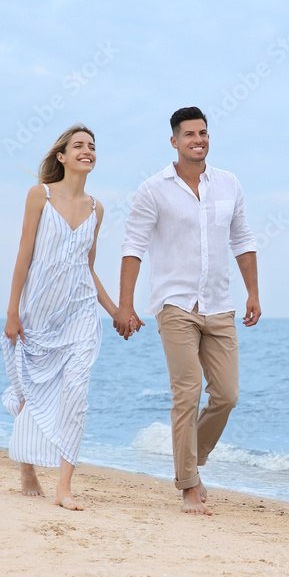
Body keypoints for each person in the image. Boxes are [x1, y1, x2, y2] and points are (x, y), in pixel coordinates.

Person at [114, 106, 260, 515]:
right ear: (174, 141)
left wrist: (253, 292)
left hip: (219, 305)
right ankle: (188, 486)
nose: (199, 139)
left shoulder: (229, 184)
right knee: (187, 391)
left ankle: (191, 460)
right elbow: (133, 247)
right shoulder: (153, 189)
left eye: (204, 133)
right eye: (190, 134)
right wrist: (125, 304)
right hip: (174, 304)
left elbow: (243, 240)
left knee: (227, 394)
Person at [1, 124, 135, 510]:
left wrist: (116, 312)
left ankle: (64, 486)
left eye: (92, 146)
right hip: (37, 311)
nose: (87, 150)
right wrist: (13, 312)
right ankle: (27, 468)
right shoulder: (39, 195)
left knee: (75, 393)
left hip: (79, 313)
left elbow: (86, 268)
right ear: (62, 156)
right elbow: (24, 256)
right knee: (32, 390)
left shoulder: (97, 208)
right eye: (78, 145)